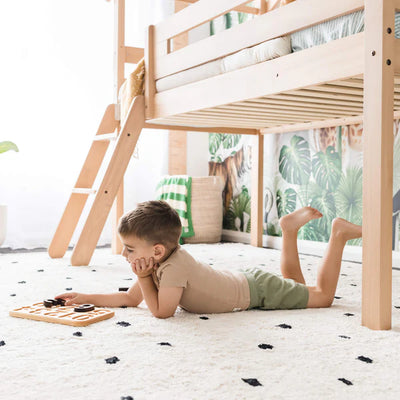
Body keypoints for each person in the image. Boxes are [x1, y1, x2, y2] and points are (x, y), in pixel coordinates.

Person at [55, 200, 362, 318]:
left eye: (130, 249)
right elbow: (130, 300)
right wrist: (85, 297)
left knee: (321, 298)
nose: (125, 254)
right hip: (249, 282)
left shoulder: (172, 268)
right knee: (295, 286)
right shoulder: (160, 263)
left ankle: (338, 236)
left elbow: (162, 311)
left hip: (257, 291)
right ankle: (289, 231)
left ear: (157, 251)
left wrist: (144, 278)